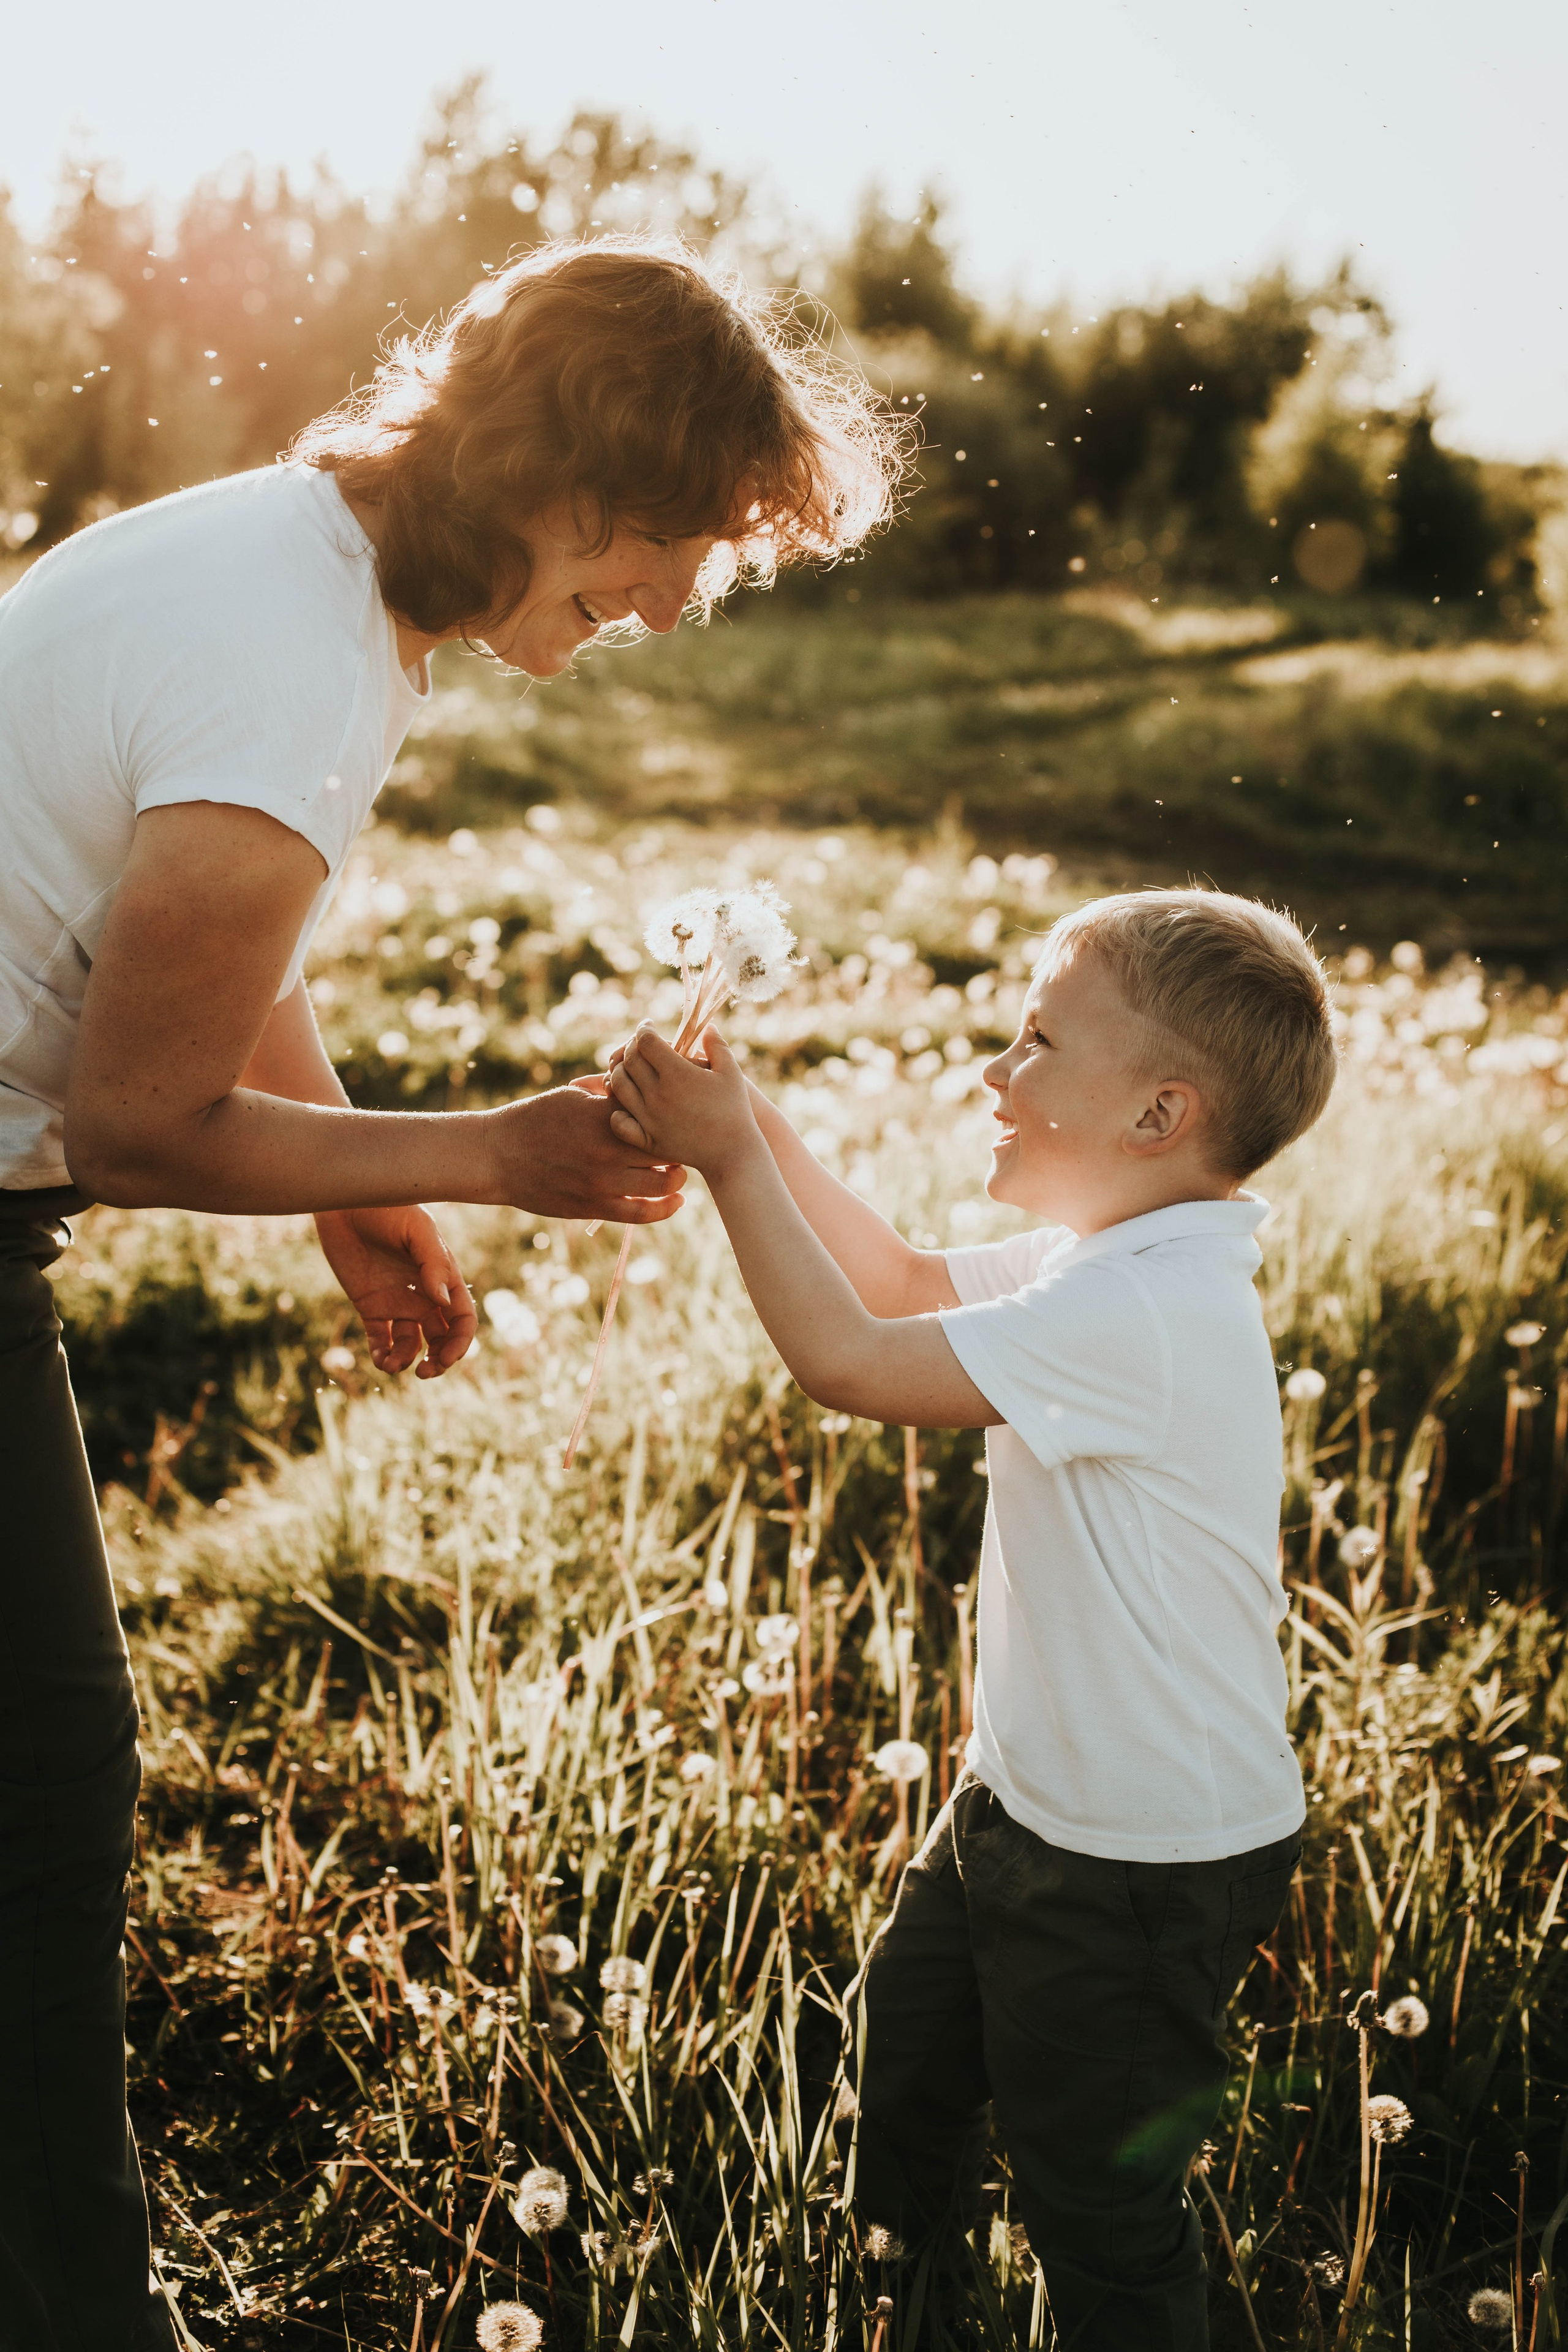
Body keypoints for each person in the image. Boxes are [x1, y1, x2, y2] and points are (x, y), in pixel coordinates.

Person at [0, 234, 897, 2351]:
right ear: (578, 489)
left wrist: (343, 1182)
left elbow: (184, 923)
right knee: (48, 1780)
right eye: (677, 549)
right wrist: (489, 1152)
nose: (679, 605)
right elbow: (136, 1124)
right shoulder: (292, 664)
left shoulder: (273, 564)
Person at [605, 886, 1338, 2350]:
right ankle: (903, 2304)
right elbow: (899, 1282)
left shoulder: (1149, 1307)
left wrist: (732, 1154)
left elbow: (849, 1360)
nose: (988, 1076)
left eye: (1030, 1042)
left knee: (1097, 2205)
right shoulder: (1111, 1259)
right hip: (1019, 1806)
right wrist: (745, 1112)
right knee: (907, 2076)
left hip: (1139, 1862)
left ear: (1156, 1114)